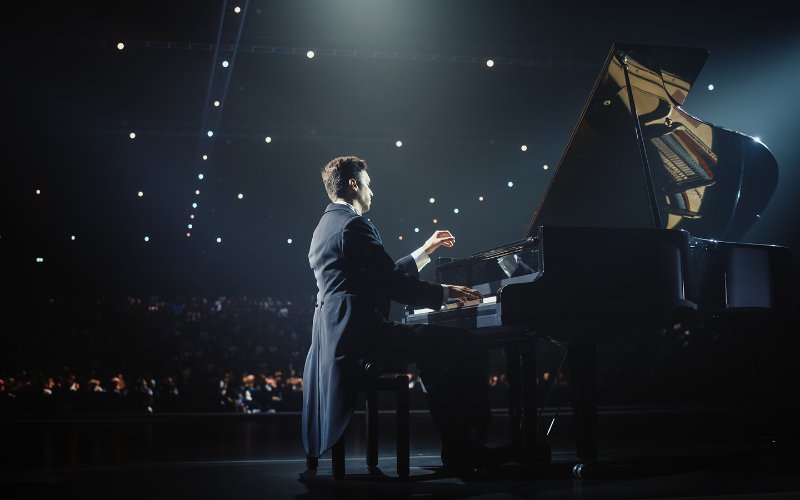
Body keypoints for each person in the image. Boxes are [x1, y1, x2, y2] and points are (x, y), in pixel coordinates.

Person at [301, 155, 507, 474]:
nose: (372, 191)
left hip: (337, 340)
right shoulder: (354, 225)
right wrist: (446, 291)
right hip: (363, 339)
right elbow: (392, 284)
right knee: (465, 343)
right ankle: (467, 440)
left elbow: (378, 276)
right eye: (368, 184)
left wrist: (424, 251)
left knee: (434, 353)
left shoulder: (325, 227)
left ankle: (459, 445)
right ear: (354, 184)